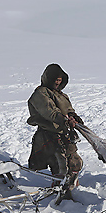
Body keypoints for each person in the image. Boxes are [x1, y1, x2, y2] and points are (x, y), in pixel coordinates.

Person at [27, 63, 84, 202]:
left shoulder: (61, 95)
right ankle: (62, 195)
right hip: (49, 136)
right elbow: (50, 112)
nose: (57, 83)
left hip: (64, 134)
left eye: (60, 80)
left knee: (76, 163)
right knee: (60, 166)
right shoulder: (40, 93)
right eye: (55, 80)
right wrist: (64, 119)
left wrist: (74, 117)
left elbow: (68, 109)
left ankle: (70, 187)